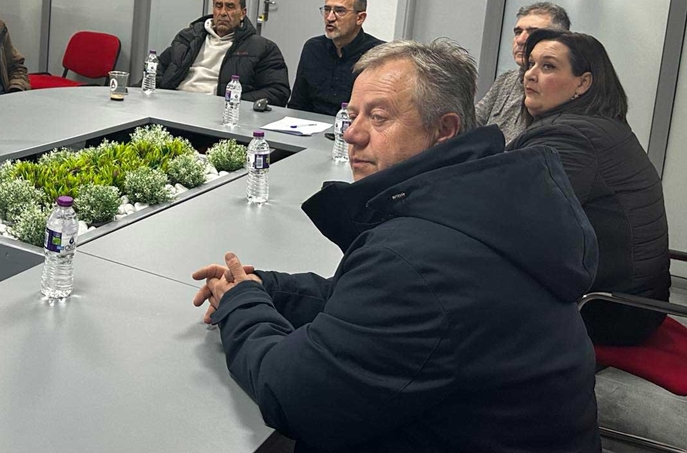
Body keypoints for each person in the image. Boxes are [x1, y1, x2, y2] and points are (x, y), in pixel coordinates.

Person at [192, 39, 600, 453]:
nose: (351, 133)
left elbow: (294, 396)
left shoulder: (419, 260)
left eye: (379, 117)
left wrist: (240, 306)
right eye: (353, 115)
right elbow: (365, 306)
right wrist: (267, 288)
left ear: (444, 130)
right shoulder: (481, 205)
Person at [510, 30, 670, 346]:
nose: (530, 74)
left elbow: (515, 218)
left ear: (583, 83)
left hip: (607, 309)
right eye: (530, 64)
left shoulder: (573, 138)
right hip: (634, 298)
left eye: (548, 66)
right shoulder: (597, 125)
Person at [155, 0, 289, 105]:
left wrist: (232, 101)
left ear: (243, 13)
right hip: (174, 103)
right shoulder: (190, 37)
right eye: (218, 6)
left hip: (219, 110)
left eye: (230, 7)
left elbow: (278, 91)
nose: (223, 13)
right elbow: (157, 66)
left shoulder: (262, 48)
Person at [476, 1, 570, 144]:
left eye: (533, 33)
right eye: (518, 32)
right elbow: (471, 123)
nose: (520, 40)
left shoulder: (561, 87)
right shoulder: (506, 79)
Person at [287, 0, 383, 115]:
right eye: (327, 10)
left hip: (352, 125)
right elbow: (298, 104)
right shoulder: (313, 48)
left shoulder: (377, 55)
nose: (330, 18)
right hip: (311, 124)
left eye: (340, 11)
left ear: (360, 18)